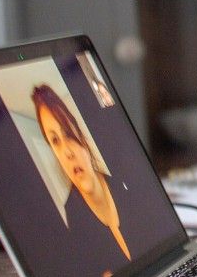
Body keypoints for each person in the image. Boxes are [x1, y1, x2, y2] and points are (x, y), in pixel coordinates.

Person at [32, 84, 132, 267]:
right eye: (55, 141)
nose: (67, 152)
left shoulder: (124, 183)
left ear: (82, 138)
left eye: (68, 134)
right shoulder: (74, 221)